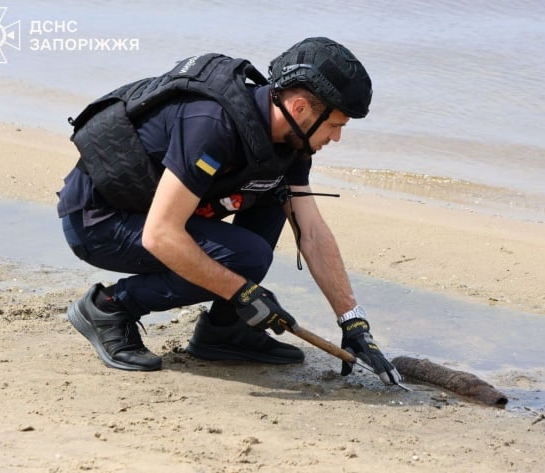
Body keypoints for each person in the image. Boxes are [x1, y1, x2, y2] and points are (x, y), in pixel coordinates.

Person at [57, 37, 401, 386]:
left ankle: (225, 331)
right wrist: (243, 292)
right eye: (334, 126)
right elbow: (161, 235)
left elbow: (311, 231)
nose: (337, 138)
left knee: (272, 193)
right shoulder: (214, 125)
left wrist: (353, 321)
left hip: (155, 211)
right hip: (100, 220)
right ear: (298, 108)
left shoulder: (288, 142)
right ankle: (110, 306)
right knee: (247, 259)